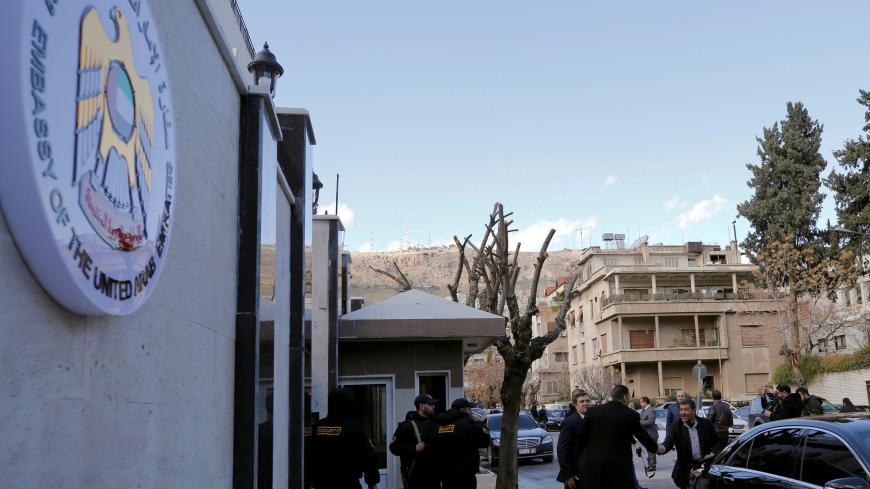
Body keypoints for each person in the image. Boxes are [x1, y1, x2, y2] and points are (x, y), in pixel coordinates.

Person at [575, 384, 658, 489]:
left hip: (594, 468)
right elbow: (643, 436)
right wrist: (655, 448)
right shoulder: (631, 415)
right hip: (619, 470)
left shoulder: (593, 412)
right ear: (625, 397)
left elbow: (580, 437)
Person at [308, 387, 380, 489]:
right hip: (348, 484)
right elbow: (369, 459)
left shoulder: (317, 427)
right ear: (350, 404)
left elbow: (310, 456)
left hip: (321, 484)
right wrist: (372, 482)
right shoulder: (356, 428)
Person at [657, 399, 724, 489]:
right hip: (684, 472)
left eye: (686, 409)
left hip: (705, 469)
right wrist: (661, 449)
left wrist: (711, 454)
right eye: (681, 410)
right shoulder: (675, 426)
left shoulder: (706, 424)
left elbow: (719, 442)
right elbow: (668, 442)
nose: (683, 412)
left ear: (693, 411)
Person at [429, 398, 490, 489]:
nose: (471, 411)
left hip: (446, 473)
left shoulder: (439, 423)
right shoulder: (467, 423)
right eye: (469, 409)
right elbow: (484, 441)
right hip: (465, 474)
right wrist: (479, 423)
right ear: (462, 409)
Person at [389, 394, 438, 489]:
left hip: (434, 477)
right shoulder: (407, 426)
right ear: (421, 406)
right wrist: (413, 448)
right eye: (430, 404)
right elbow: (393, 447)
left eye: (433, 404)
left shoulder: (435, 423)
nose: (433, 406)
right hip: (416, 479)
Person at [556, 389, 591, 488]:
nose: (585, 403)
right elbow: (562, 450)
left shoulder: (595, 420)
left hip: (592, 474)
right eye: (582, 401)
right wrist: (568, 474)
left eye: (587, 401)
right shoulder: (569, 422)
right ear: (576, 405)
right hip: (575, 475)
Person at [638, 396, 658, 471]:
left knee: (651, 451)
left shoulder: (651, 410)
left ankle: (652, 466)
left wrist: (639, 422)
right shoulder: (644, 410)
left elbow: (650, 421)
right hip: (646, 434)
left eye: (641, 402)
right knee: (648, 451)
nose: (640, 404)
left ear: (645, 402)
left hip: (651, 434)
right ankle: (650, 464)